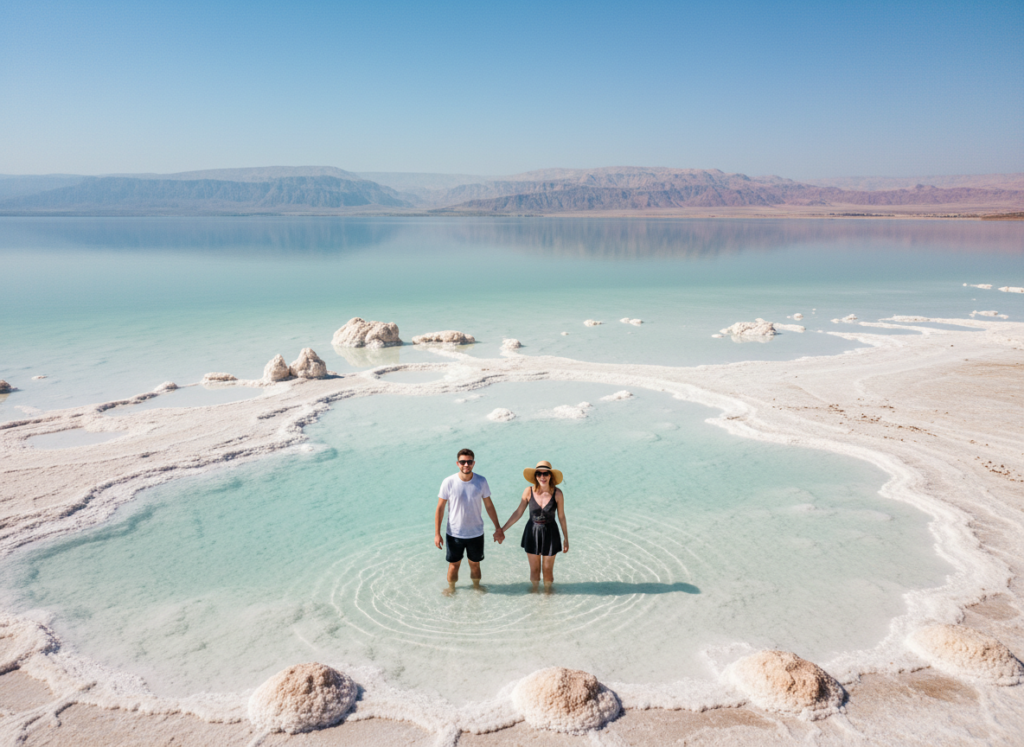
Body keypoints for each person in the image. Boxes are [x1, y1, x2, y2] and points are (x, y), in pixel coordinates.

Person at [435, 448, 504, 592]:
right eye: (462, 462)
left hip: (476, 533)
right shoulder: (448, 482)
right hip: (454, 534)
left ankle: (477, 588)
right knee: (454, 565)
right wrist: (437, 533)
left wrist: (498, 528)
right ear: (457, 463)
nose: (466, 464)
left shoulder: (481, 481)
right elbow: (440, 508)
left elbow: (489, 506)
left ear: (474, 463)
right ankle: (451, 589)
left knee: (475, 564)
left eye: (469, 462)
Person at [500, 460, 569, 590]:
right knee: (534, 570)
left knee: (548, 571)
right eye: (539, 474)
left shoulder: (558, 493)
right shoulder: (528, 491)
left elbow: (561, 516)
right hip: (532, 532)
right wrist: (502, 529)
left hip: (551, 533)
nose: (542, 477)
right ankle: (534, 595)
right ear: (535, 476)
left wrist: (566, 538)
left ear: (550, 476)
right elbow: (518, 512)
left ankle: (548, 596)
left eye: (545, 474)